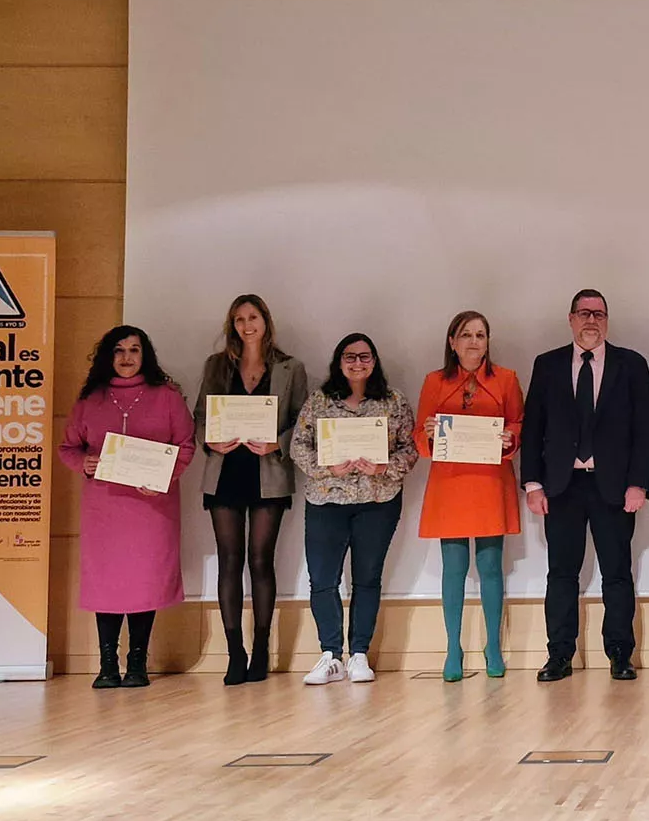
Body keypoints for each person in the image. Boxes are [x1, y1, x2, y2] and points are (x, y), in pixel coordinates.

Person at [522, 289, 649, 682]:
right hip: (561, 486)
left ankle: (619, 653)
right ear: (571, 319)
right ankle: (559, 655)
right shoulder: (547, 365)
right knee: (561, 573)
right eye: (584, 313)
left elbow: (646, 430)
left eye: (598, 313)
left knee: (617, 572)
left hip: (613, 487)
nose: (591, 320)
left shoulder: (631, 364)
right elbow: (533, 429)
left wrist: (639, 484)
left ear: (607, 320)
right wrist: (532, 483)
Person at [59, 326, 195, 689]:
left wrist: (163, 479)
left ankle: (137, 662)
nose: (127, 358)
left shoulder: (167, 397)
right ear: (108, 356)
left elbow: (185, 446)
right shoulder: (90, 399)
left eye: (134, 350)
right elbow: (68, 448)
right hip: (104, 510)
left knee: (143, 581)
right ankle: (107, 664)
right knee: (107, 583)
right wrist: (83, 463)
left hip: (151, 508)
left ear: (144, 355)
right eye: (119, 351)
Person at [289, 333, 417, 685]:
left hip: (377, 503)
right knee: (323, 580)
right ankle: (331, 654)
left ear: (374, 362)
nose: (357, 363)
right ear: (338, 361)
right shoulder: (319, 401)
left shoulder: (393, 402)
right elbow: (298, 446)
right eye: (350, 356)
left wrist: (384, 467)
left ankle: (359, 652)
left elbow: (411, 448)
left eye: (364, 356)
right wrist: (327, 468)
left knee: (367, 579)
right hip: (326, 501)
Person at [194, 294, 308, 685]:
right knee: (229, 560)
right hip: (225, 472)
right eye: (239, 319)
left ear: (265, 321)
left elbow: (302, 419)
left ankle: (261, 649)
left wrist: (279, 442)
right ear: (232, 324)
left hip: (268, 472)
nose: (247, 325)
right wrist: (211, 440)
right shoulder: (216, 366)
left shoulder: (290, 367)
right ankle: (234, 653)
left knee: (261, 560)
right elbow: (201, 418)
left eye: (253, 317)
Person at [414, 310, 524, 682]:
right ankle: (452, 648)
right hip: (451, 484)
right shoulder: (433, 381)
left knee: (491, 567)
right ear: (452, 342)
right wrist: (429, 432)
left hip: (490, 481)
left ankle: (492, 645)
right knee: (454, 569)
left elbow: (520, 422)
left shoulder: (507, 379)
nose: (474, 341)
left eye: (480, 335)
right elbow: (419, 434)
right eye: (466, 334)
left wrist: (511, 437)